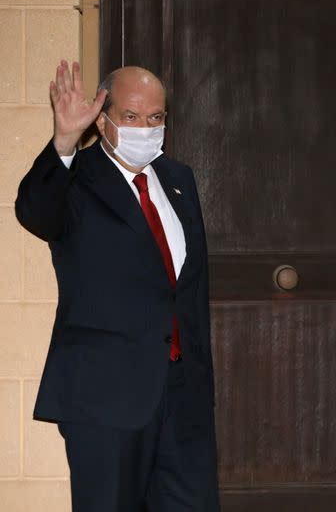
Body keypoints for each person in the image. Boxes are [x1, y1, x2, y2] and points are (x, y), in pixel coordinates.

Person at [15, 60, 219, 511]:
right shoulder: (76, 179)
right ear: (102, 119)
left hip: (183, 396)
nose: (145, 127)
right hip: (106, 398)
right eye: (131, 116)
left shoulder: (179, 180)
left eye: (156, 118)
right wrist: (64, 140)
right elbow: (34, 212)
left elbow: (188, 287)